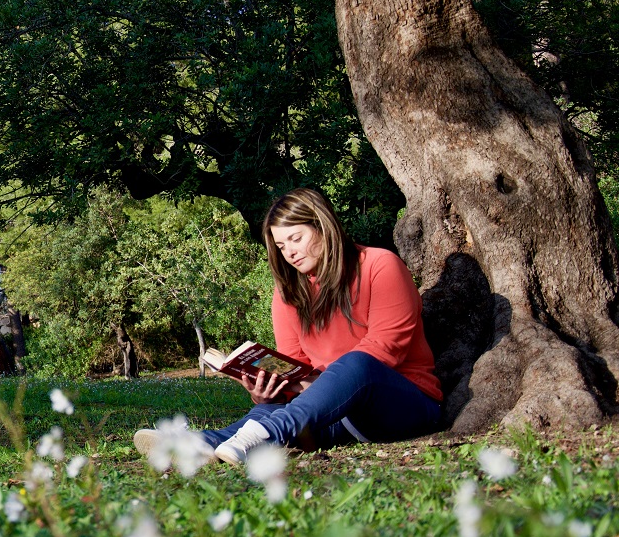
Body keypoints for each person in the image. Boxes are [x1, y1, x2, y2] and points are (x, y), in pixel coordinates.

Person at [134, 187, 442, 465]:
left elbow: (385, 350)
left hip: (399, 405)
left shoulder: (379, 265)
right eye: (281, 246)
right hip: (331, 414)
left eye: (296, 239)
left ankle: (267, 433)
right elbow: (296, 368)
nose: (290, 252)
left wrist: (314, 386)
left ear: (324, 228)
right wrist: (265, 391)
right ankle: (202, 443)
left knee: (359, 363)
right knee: (271, 409)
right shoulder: (288, 294)